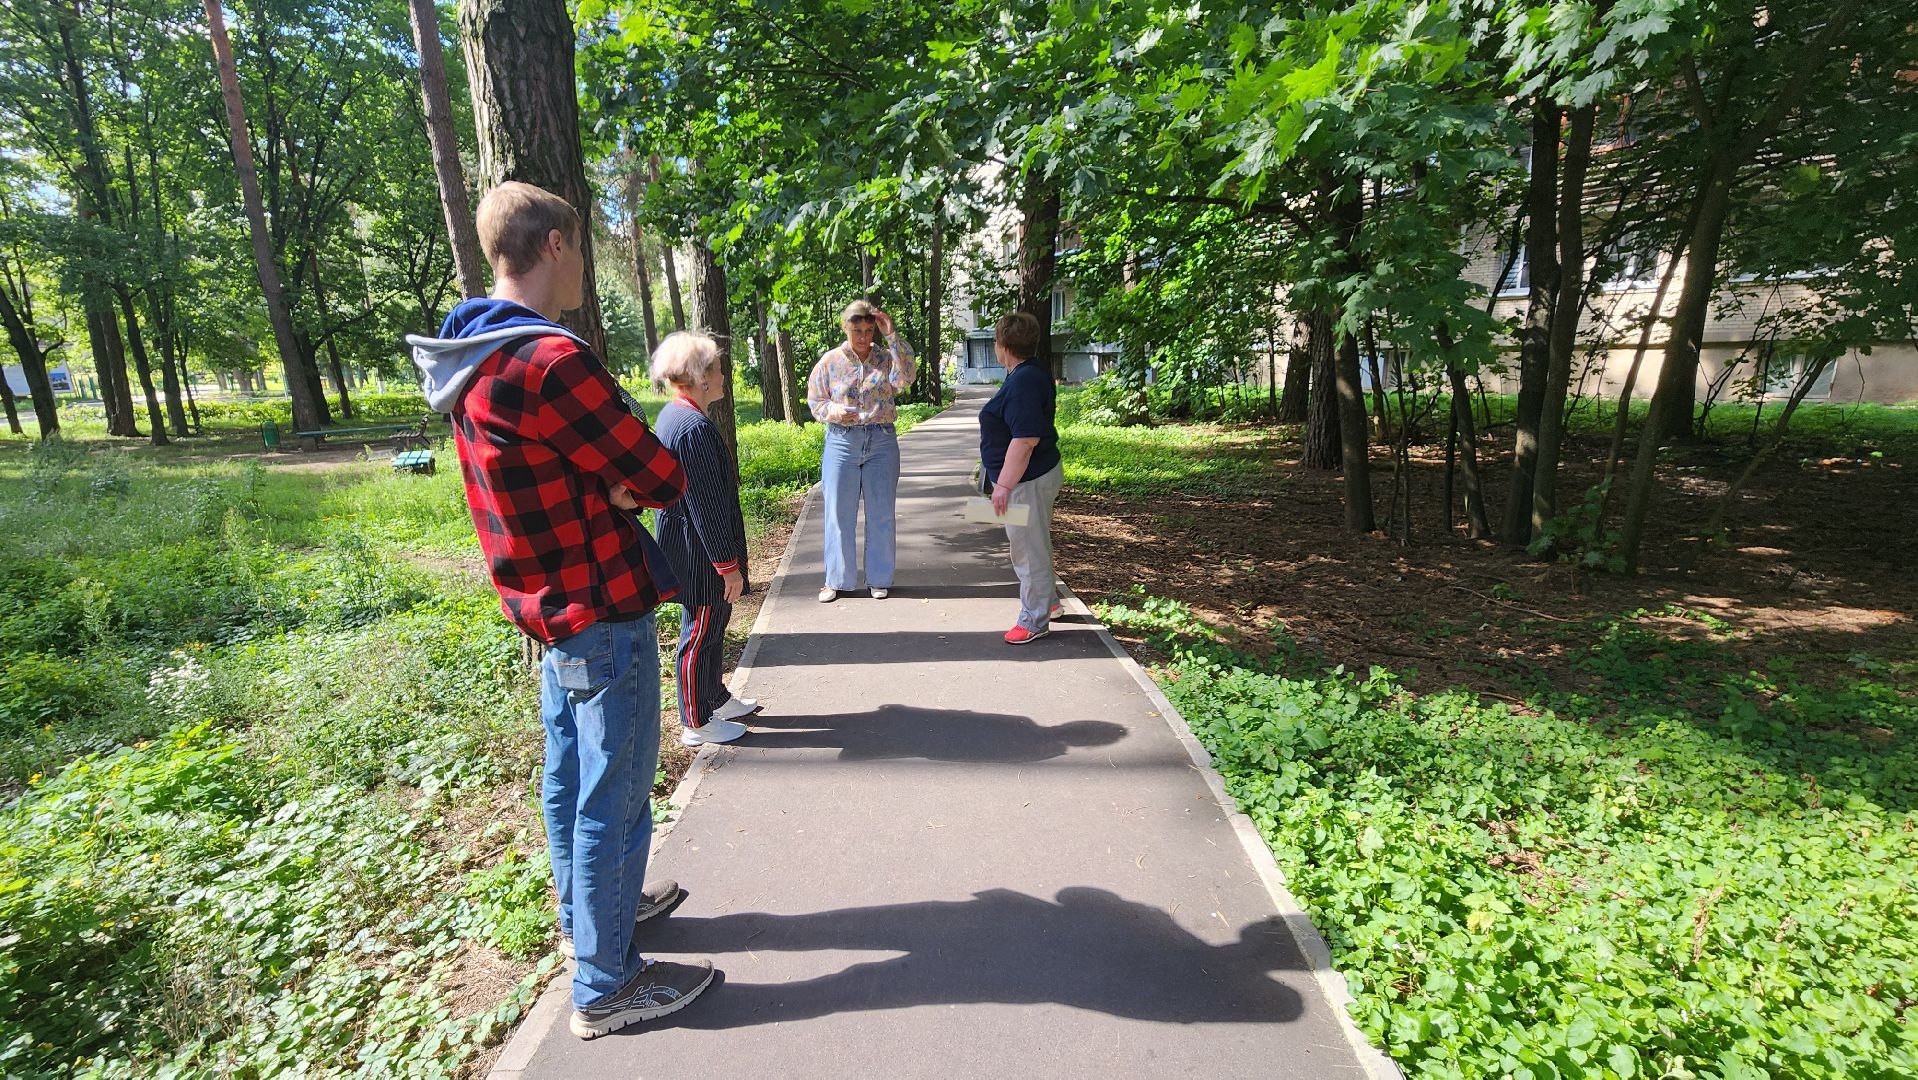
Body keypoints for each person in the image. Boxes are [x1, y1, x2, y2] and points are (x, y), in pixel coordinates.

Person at [406, 181, 715, 1039]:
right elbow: (661, 475)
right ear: (552, 245)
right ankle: (606, 987)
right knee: (615, 794)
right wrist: (619, 487)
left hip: (545, 607)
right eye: (578, 246)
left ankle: (593, 915)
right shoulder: (550, 362)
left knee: (571, 777)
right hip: (601, 603)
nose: (581, 265)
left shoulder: (471, 352)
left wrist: (608, 482)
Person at [650, 331, 762, 747]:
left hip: (695, 547)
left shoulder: (679, 416)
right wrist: (727, 567)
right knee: (699, 632)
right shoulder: (692, 427)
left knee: (713, 626)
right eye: (716, 369)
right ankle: (696, 719)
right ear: (699, 377)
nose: (723, 375)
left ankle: (714, 698)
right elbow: (706, 506)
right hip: (698, 553)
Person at [806, 299, 917, 603]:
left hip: (881, 441)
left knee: (882, 513)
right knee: (838, 513)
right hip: (842, 441)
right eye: (857, 330)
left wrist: (892, 335)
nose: (864, 337)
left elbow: (906, 378)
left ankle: (879, 578)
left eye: (869, 331)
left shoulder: (885, 358)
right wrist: (834, 411)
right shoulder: (830, 361)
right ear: (846, 328)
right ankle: (836, 580)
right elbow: (815, 401)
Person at [979, 312, 1063, 644]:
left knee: (1027, 550)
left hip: (1025, 481)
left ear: (1002, 344)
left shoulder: (1023, 381)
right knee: (1035, 542)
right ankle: (1049, 602)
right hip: (1032, 477)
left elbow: (1026, 440)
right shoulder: (1028, 373)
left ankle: (1034, 619)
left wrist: (1003, 486)